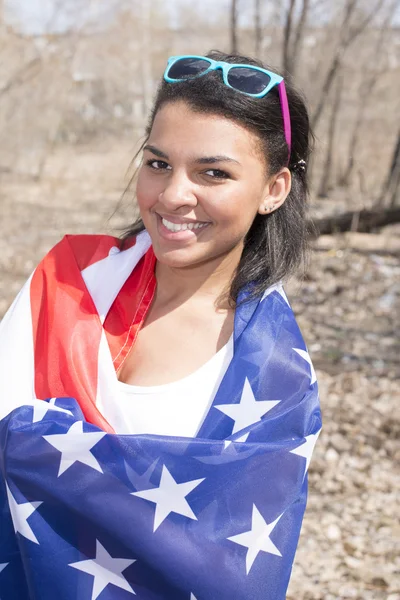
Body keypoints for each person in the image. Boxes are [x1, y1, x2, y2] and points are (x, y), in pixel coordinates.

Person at [0, 51, 321, 600]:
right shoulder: (69, 281)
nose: (173, 195)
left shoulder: (276, 380)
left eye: (213, 173)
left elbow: (228, 572)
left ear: (274, 190)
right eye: (158, 163)